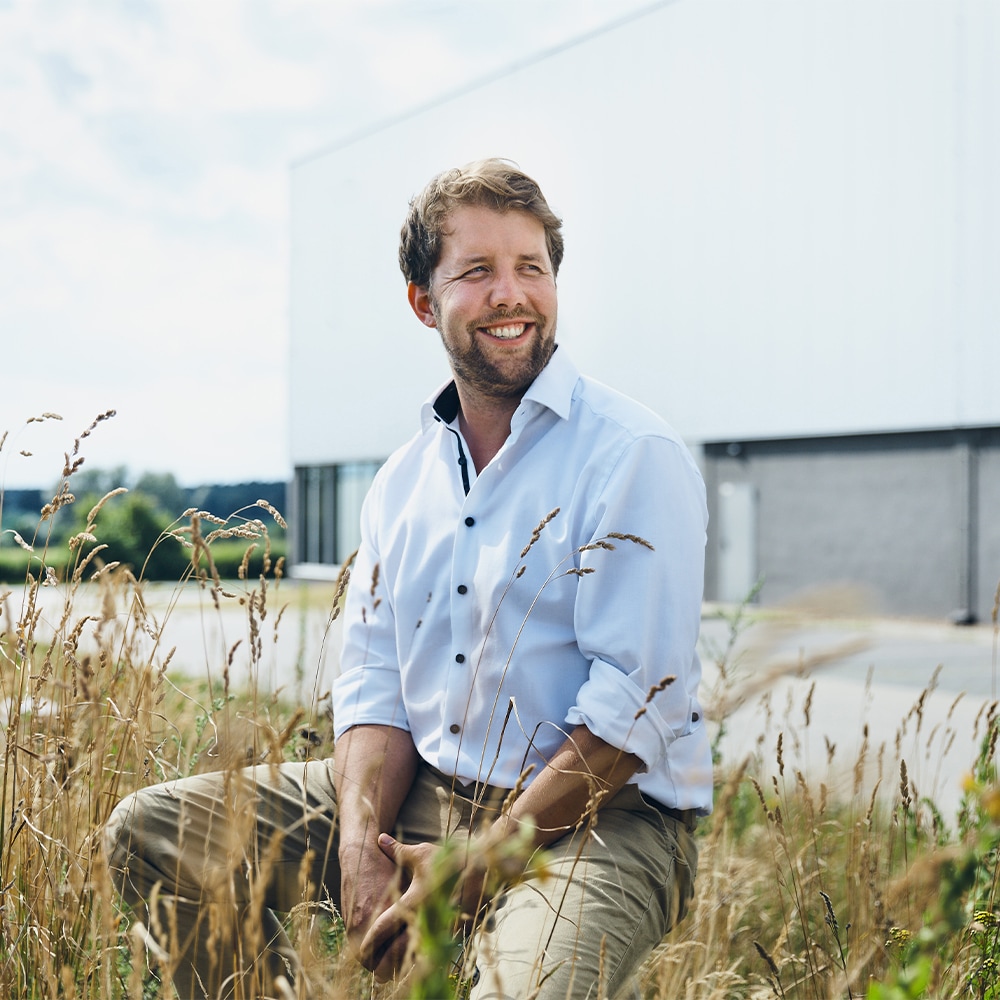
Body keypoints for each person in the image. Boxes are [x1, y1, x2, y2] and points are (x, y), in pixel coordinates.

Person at [105, 158, 712, 1000]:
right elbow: (377, 684)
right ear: (423, 301)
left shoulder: (631, 456)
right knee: (154, 832)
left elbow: (632, 706)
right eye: (478, 271)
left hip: (598, 823)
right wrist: (359, 845)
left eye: (530, 267)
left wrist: (487, 859)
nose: (512, 294)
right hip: (428, 787)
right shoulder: (402, 481)